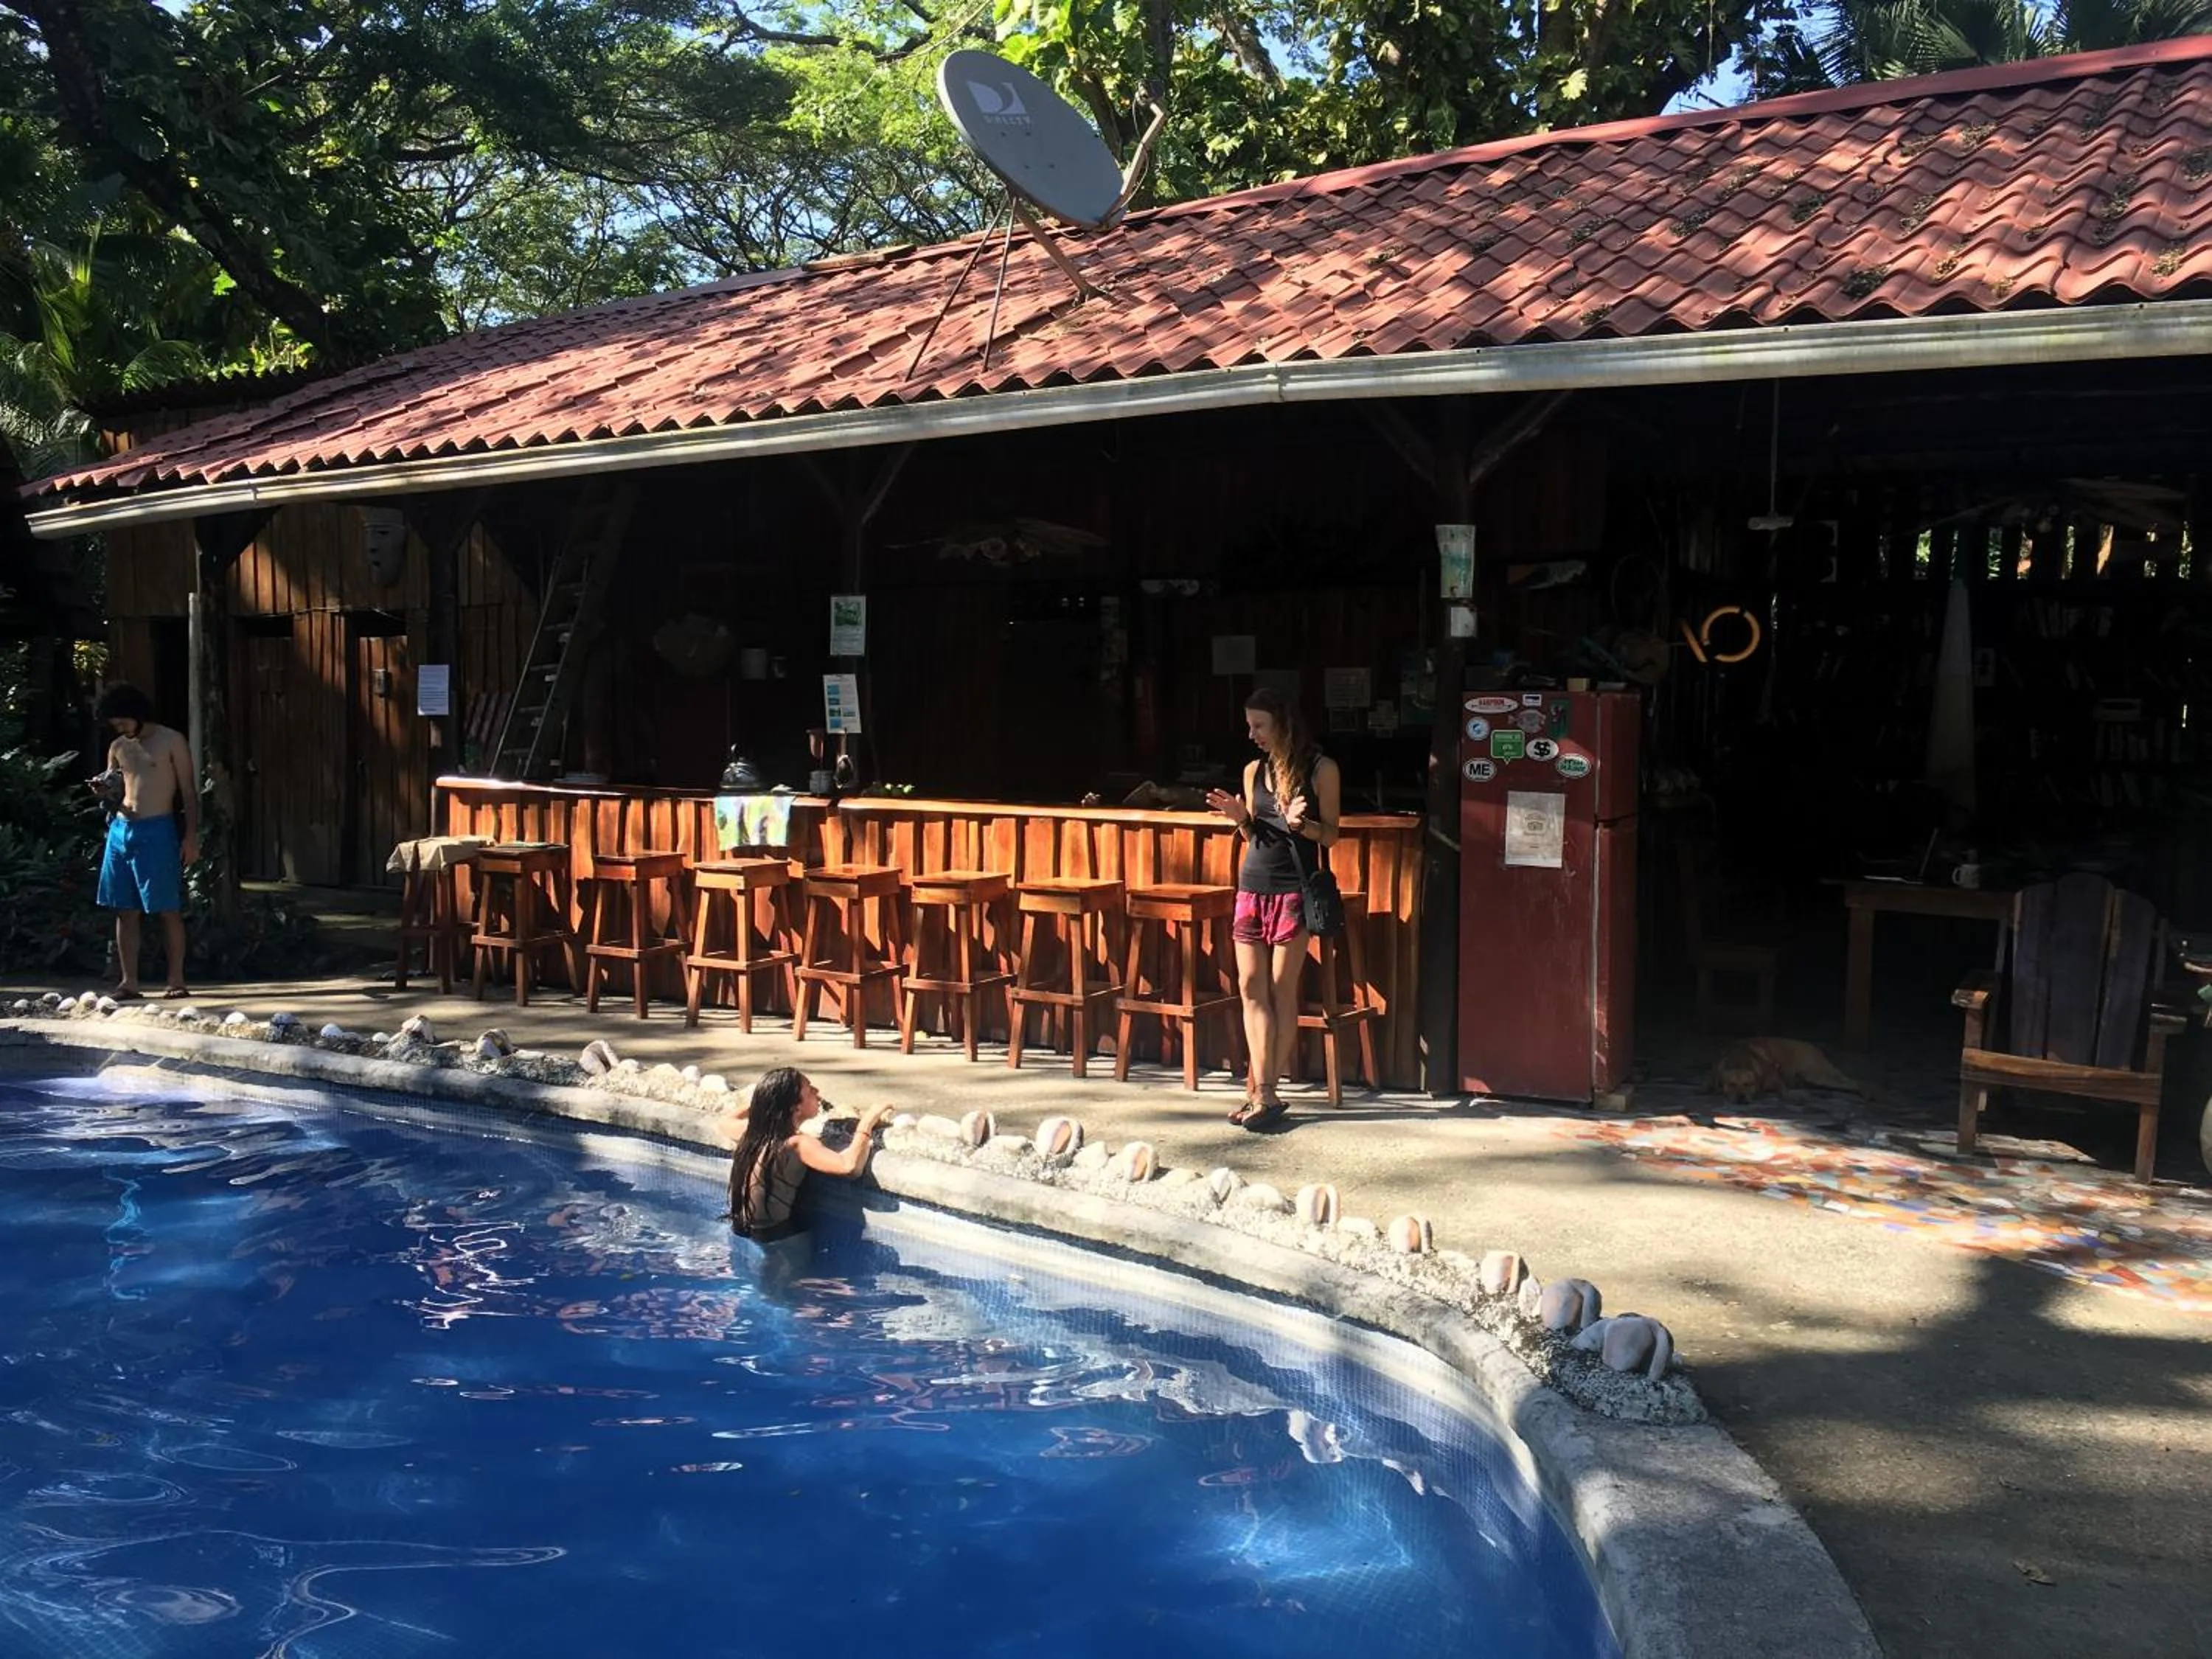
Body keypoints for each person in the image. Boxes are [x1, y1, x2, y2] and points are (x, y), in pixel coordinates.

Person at [1205, 686, 1340, 1130]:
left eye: (1259, 725)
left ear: (1282, 724)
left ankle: (1266, 1090)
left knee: (1282, 989)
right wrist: (1241, 819)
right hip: (1252, 885)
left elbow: (1332, 836)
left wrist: (1305, 824)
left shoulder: (1322, 770)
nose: (1252, 734)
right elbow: (1254, 837)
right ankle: (1259, 1088)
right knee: (1249, 986)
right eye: (1249, 725)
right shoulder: (1252, 771)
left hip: (1294, 889)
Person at [88, 684, 199, 1000]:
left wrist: (190, 836)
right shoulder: (118, 746)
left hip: (158, 828)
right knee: (125, 909)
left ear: (138, 715)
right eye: (116, 725)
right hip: (121, 829)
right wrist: (104, 791)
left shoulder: (171, 740)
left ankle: (176, 980)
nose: (120, 729)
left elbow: (188, 793)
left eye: (123, 722)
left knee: (167, 908)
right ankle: (129, 982)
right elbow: (115, 786)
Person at [725, 1068, 895, 1240]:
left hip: (742, 1230)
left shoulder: (752, 1134)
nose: (817, 1092)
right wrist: (868, 1121)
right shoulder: (797, 1144)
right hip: (780, 1242)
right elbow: (850, 1167)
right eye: (810, 1089)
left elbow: (725, 1122)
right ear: (796, 1108)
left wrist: (765, 1099)